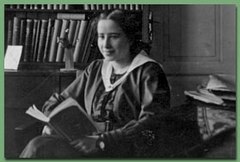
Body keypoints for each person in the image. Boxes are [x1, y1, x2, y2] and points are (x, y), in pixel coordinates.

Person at [20, 9, 171, 158]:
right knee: (39, 145)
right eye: (101, 37)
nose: (106, 45)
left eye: (114, 37)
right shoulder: (96, 68)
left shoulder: (148, 72)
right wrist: (52, 123)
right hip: (87, 144)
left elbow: (152, 122)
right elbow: (60, 100)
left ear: (130, 38)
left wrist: (102, 140)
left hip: (125, 149)